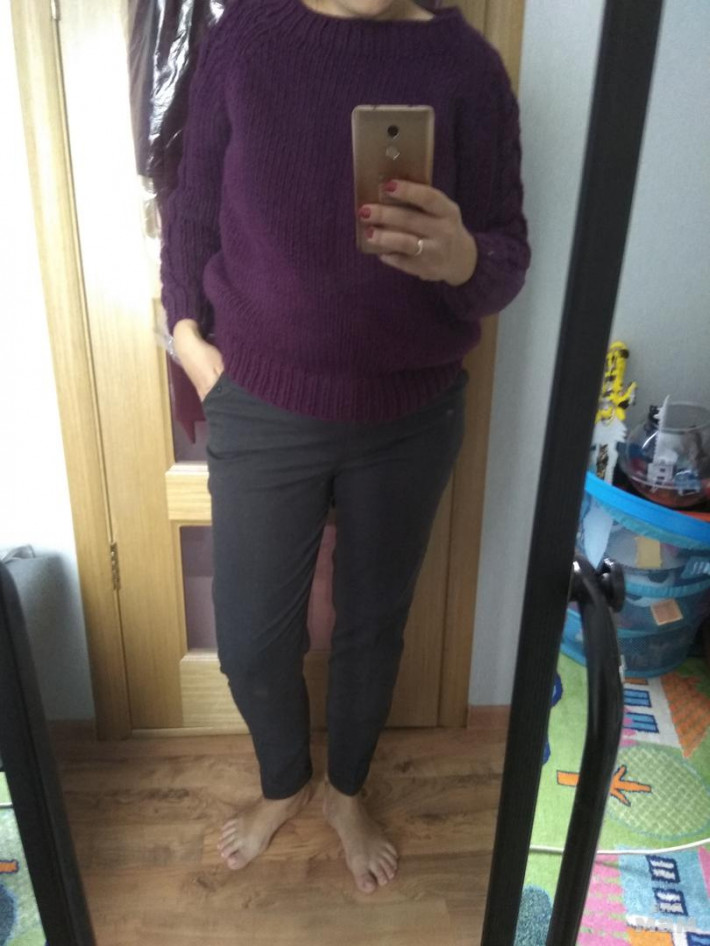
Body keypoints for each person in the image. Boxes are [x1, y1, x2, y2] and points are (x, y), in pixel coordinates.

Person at [160, 0, 531, 895]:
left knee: (373, 624)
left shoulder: (469, 69)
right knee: (252, 639)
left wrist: (462, 259)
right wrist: (186, 338)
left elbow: (508, 255)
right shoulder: (245, 41)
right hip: (260, 404)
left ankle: (347, 790)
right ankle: (285, 782)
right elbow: (192, 207)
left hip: (410, 413)